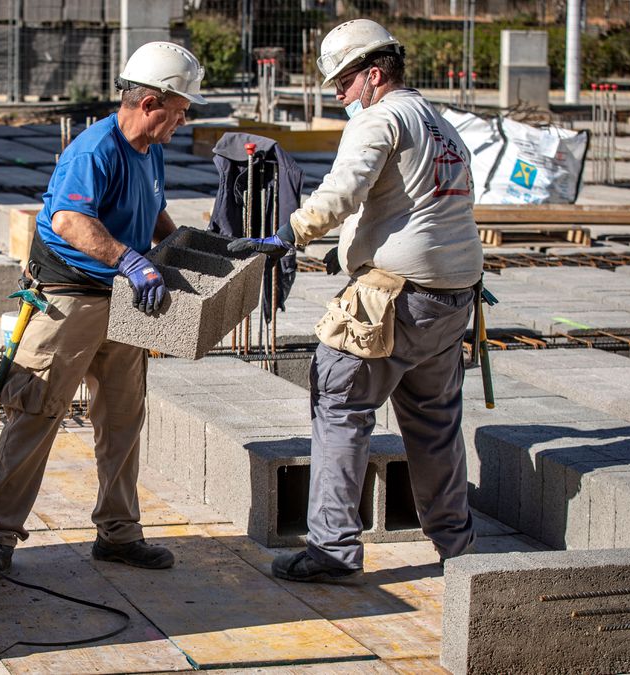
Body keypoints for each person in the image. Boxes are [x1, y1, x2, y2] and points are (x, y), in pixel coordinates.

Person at [229, 19, 484, 582]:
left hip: (394, 299)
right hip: (451, 299)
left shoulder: (380, 117)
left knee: (339, 405)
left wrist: (288, 235)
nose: (340, 96)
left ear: (373, 74)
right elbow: (417, 204)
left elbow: (344, 189)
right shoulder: (440, 123)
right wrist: (351, 248)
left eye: (343, 83)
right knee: (435, 423)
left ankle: (333, 552)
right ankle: (459, 549)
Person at [0, 41, 208, 580]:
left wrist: (184, 249)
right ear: (150, 102)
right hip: (68, 300)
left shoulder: (151, 147)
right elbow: (69, 222)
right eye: (180, 109)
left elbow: (152, 208)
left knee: (122, 419)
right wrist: (131, 260)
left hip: (124, 303)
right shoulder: (94, 150)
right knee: (37, 410)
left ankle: (118, 533)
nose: (184, 120)